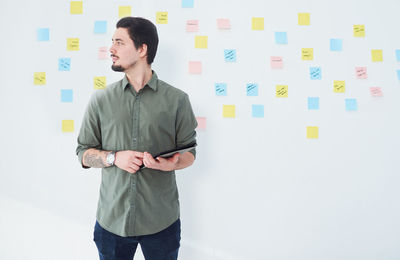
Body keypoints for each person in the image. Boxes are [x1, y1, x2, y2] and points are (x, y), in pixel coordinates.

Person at [76, 16, 198, 260]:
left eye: (119, 42)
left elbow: (189, 154)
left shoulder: (177, 100)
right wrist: (114, 157)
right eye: (112, 42)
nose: (111, 48)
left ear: (143, 49)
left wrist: (171, 163)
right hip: (112, 222)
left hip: (161, 222)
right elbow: (83, 153)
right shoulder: (100, 100)